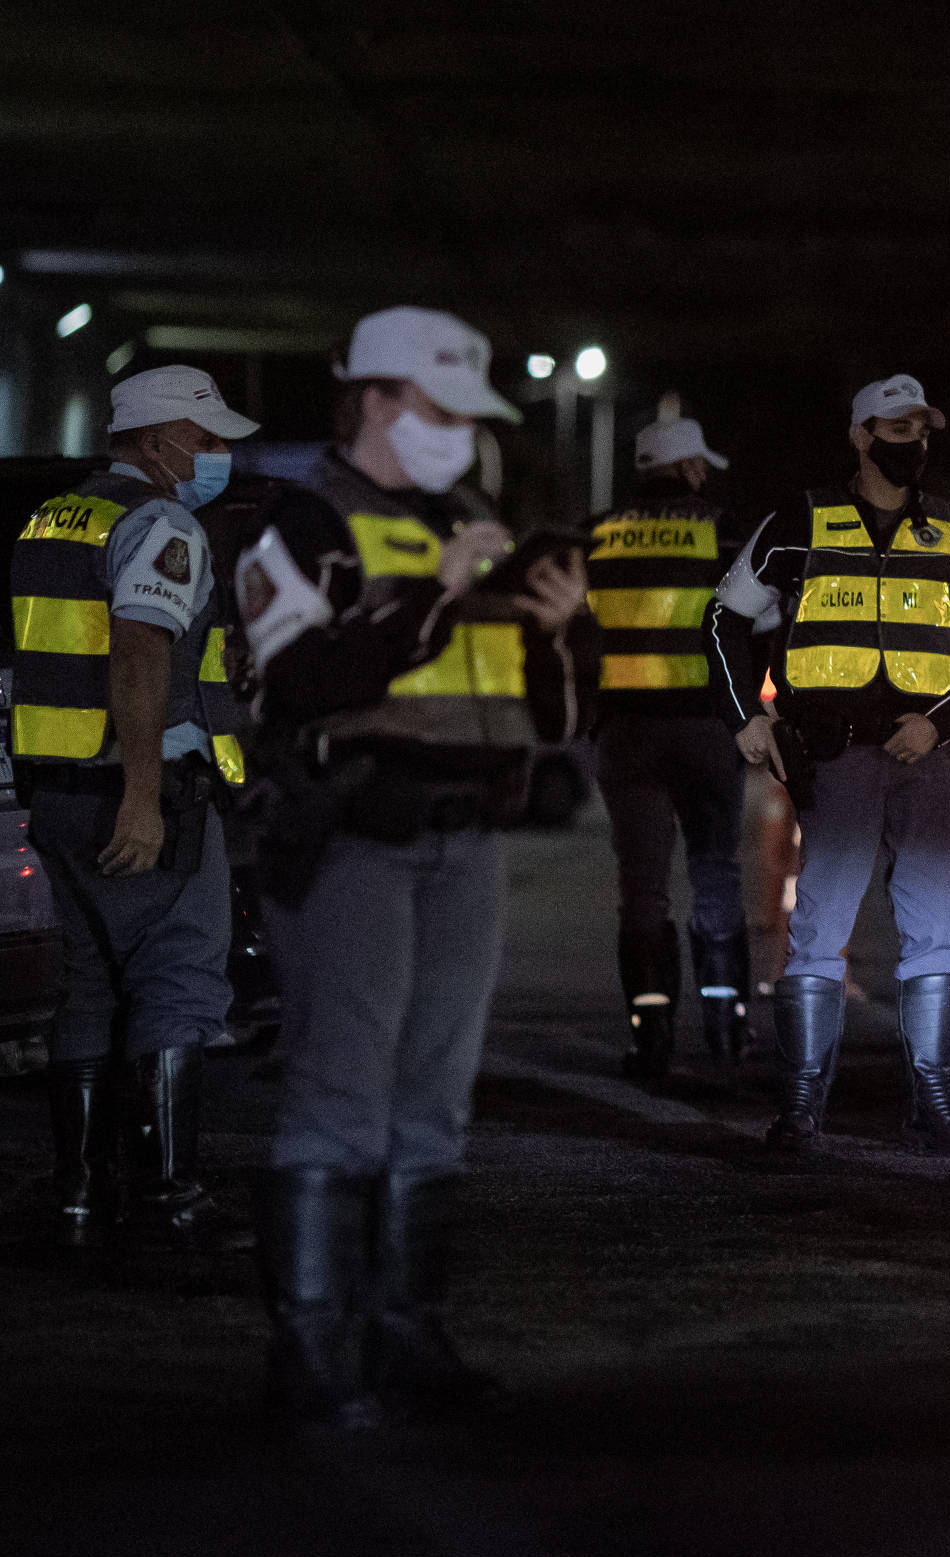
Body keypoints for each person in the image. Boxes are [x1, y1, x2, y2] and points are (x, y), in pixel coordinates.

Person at [236, 306, 599, 1432]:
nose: (461, 438)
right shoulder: (302, 525)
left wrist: (550, 630)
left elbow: (536, 716)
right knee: (340, 1094)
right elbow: (297, 681)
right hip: (355, 832)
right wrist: (435, 592)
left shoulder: (472, 521)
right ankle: (309, 1350)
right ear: (379, 399)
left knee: (434, 1104)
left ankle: (404, 1333)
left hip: (467, 837)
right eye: (442, 411)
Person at [704, 375, 950, 1156]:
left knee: (934, 933)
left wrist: (938, 724)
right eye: (900, 428)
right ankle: (801, 1110)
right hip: (832, 756)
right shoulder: (800, 521)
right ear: (861, 436)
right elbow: (723, 618)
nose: (918, 443)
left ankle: (937, 1106)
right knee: (817, 933)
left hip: (922, 757)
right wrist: (747, 719)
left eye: (924, 429)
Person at [10, 366, 257, 1252]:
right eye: (209, 439)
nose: (222, 455)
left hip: (61, 794)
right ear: (159, 442)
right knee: (179, 978)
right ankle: (168, 1198)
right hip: (135, 797)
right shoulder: (159, 524)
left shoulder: (53, 518)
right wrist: (147, 800)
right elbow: (141, 654)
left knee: (87, 986)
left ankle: (76, 1194)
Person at [585, 404, 756, 1076]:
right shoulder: (722, 531)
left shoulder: (596, 534)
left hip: (625, 734)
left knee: (642, 889)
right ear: (688, 467)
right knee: (716, 872)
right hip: (706, 730)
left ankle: (650, 1038)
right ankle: (724, 1028)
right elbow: (753, 623)